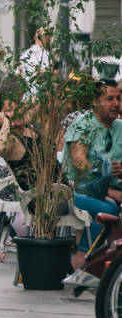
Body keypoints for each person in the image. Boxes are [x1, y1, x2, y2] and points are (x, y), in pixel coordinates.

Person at [63, 79, 122, 268]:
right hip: (77, 190)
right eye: (110, 98)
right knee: (110, 208)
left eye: (119, 98)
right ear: (96, 102)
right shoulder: (83, 124)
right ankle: (84, 256)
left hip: (112, 190)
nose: (116, 104)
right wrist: (107, 191)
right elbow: (80, 163)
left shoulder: (120, 127)